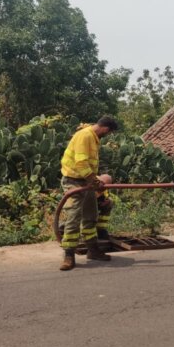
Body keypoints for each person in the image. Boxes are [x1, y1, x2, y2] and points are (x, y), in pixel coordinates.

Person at [58, 116, 118, 271]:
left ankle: (93, 250)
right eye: (109, 133)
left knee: (90, 216)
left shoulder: (93, 137)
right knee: (73, 217)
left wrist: (93, 183)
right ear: (106, 128)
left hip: (86, 182)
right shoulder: (85, 136)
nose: (108, 136)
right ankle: (69, 255)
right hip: (74, 181)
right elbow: (81, 163)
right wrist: (94, 180)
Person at [96, 174, 114, 241]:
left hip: (96, 201)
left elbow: (104, 196)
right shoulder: (92, 182)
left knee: (110, 203)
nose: (103, 188)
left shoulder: (104, 188)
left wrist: (105, 201)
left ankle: (100, 229)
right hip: (85, 203)